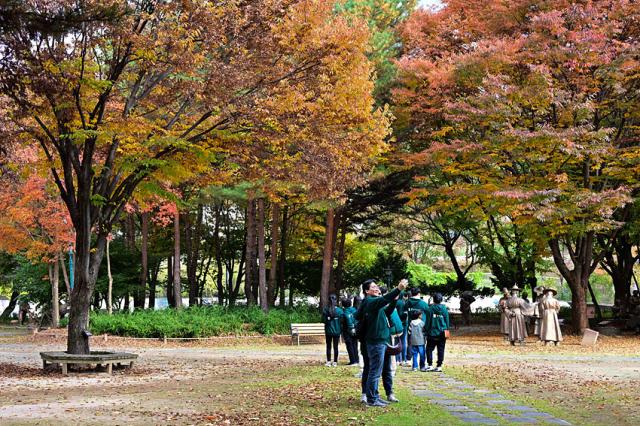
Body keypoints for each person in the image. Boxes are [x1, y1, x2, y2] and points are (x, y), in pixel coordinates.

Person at [356, 278, 408, 407]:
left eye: (377, 286)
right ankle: (372, 399)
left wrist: (394, 301)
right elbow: (383, 300)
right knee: (374, 371)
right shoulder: (370, 302)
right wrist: (398, 289)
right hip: (376, 341)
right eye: (373, 287)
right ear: (367, 291)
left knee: (378, 370)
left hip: (380, 340)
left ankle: (375, 396)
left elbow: (386, 312)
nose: (377, 288)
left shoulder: (374, 303)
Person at [424, 292, 449, 372]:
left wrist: (426, 330)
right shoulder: (444, 309)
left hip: (432, 332)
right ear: (441, 300)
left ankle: (430, 365)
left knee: (429, 349)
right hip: (442, 332)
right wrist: (447, 329)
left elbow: (428, 322)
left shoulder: (430, 309)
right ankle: (439, 366)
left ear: (433, 299)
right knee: (441, 349)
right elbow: (447, 321)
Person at [322, 294, 343, 366]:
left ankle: (328, 361)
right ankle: (335, 362)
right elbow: (342, 322)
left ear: (328, 301)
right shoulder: (340, 311)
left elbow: (323, 321)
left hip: (328, 331)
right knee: (335, 346)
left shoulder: (325, 309)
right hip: (337, 331)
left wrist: (328, 318)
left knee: (328, 346)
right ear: (336, 300)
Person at [341, 297, 359, 365]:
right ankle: (357, 360)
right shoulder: (355, 310)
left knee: (349, 345)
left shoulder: (344, 312)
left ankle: (352, 361)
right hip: (355, 329)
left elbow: (342, 322)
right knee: (355, 345)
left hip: (347, 330)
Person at [396, 292, 410, 366]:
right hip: (404, 324)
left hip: (396, 324)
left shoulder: (396, 303)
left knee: (397, 341)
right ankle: (404, 359)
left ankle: (398, 359)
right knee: (404, 341)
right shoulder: (404, 303)